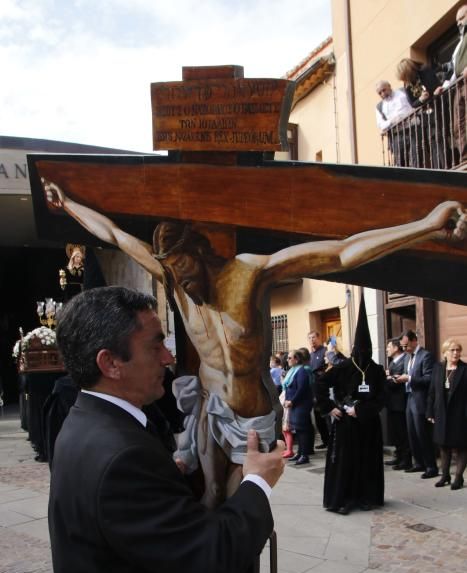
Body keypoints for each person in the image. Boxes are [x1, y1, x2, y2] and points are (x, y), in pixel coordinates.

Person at [42, 179, 466, 506]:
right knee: (208, 500)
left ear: (200, 251)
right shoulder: (172, 278)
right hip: (211, 411)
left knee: (240, 505)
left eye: (184, 266)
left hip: (250, 420)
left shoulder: (247, 275)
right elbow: (115, 236)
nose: (181, 281)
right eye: (171, 271)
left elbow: (341, 253)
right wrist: (68, 204)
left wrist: (427, 226)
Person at [48, 286, 284, 573]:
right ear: (111, 363)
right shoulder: (120, 457)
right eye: (155, 345)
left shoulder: (90, 424)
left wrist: (166, 480)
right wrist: (258, 482)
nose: (169, 358)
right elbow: (212, 555)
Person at [315, 296, 386, 515]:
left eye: (366, 350)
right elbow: (319, 382)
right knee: (346, 462)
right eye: (360, 349)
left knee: (367, 462)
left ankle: (366, 496)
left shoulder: (376, 370)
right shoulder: (343, 367)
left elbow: (382, 398)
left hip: (368, 425)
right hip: (346, 424)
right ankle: (344, 499)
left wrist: (362, 410)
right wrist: (330, 408)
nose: (363, 354)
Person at [396, 330, 438, 478]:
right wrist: (398, 378)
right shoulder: (408, 357)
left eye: (406, 345)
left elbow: (429, 379)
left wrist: (410, 379)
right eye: (402, 346)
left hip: (421, 399)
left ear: (414, 341)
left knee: (423, 434)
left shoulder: (426, 356)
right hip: (409, 398)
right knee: (412, 433)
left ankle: (431, 466)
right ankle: (418, 463)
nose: (404, 349)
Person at [426, 338, 467, 490]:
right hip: (441, 413)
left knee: (462, 446)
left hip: (460, 414)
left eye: (458, 350)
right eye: (452, 350)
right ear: (444, 353)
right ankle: (445, 475)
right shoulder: (438, 368)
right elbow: (431, 392)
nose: (456, 353)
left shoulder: (464, 369)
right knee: (443, 445)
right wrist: (429, 411)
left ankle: (458, 477)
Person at [395, 58, 444, 168]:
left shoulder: (425, 71)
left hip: (438, 108)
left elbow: (436, 86)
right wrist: (421, 99)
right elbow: (413, 104)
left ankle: (444, 165)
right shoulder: (407, 85)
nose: (406, 79)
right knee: (432, 141)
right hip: (425, 117)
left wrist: (433, 94)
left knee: (439, 136)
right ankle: (439, 168)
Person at [434, 5, 467, 162]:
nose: (459, 23)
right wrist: (445, 86)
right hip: (459, 84)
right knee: (458, 124)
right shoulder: (460, 44)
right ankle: (465, 155)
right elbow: (454, 69)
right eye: (457, 21)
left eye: (462, 18)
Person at [385, 337, 411, 470]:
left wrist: (390, 378)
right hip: (391, 402)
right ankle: (398, 455)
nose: (387, 350)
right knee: (395, 432)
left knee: (402, 432)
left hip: (401, 402)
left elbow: (403, 378)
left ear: (396, 348)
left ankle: (406, 460)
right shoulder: (392, 362)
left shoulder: (406, 359)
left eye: (389, 347)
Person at [284, 349, 313, 465]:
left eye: (290, 358)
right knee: (298, 430)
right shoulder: (293, 370)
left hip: (301, 404)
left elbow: (301, 389)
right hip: (294, 405)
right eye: (288, 358)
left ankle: (304, 455)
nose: (288, 360)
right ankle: (300, 453)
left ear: (297, 359)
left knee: (302, 430)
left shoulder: (301, 371)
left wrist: (292, 401)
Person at [375, 80, 413, 166]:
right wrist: (392, 121)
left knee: (416, 158)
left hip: (412, 129)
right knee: (400, 163)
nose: (382, 94)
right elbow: (381, 125)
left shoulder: (403, 92)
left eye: (384, 90)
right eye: (380, 93)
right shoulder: (379, 107)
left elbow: (412, 106)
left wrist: (399, 117)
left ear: (389, 86)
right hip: (396, 136)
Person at [307, 330, 329, 449]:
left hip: (323, 389)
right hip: (313, 390)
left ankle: (331, 440)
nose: (312, 340)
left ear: (319, 338)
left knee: (326, 415)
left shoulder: (325, 351)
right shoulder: (310, 355)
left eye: (314, 337)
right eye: (309, 338)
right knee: (318, 417)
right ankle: (325, 440)